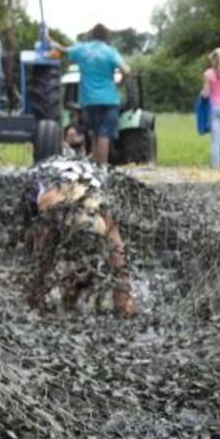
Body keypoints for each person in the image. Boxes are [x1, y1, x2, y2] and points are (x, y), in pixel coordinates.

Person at [23, 157, 134, 317]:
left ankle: (72, 293)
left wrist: (123, 299)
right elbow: (38, 266)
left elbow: (119, 263)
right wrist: (36, 298)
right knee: (34, 250)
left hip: (81, 178)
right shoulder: (51, 217)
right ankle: (68, 293)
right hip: (46, 179)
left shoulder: (104, 218)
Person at [52, 24, 130, 165]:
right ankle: (103, 167)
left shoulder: (82, 49)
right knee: (104, 135)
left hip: (89, 101)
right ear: (106, 37)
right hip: (109, 99)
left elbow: (63, 50)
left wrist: (50, 41)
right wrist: (119, 83)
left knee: (94, 134)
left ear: (91, 35)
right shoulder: (110, 52)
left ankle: (94, 168)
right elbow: (126, 70)